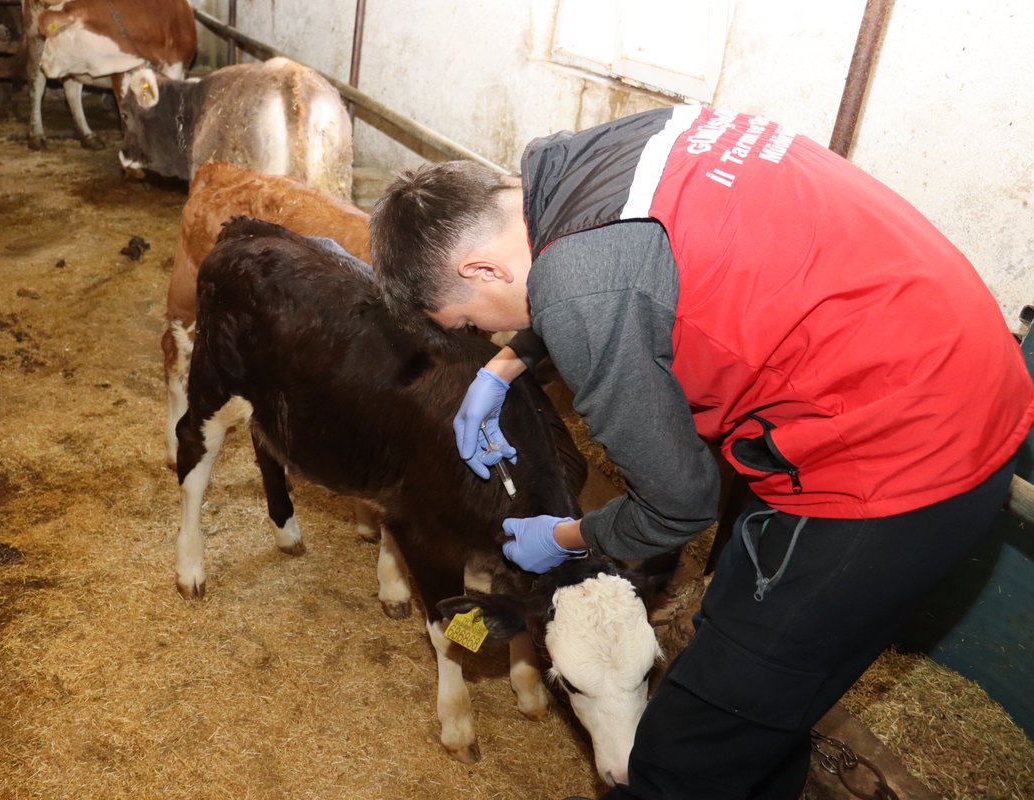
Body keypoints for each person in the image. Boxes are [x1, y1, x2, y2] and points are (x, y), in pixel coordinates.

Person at [369, 104, 1034, 799]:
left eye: (472, 322)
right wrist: (499, 372)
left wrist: (563, 535)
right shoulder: (579, 161)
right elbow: (611, 278)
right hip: (953, 368)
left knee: (688, 754)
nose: (483, 333)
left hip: (899, 460)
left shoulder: (577, 288)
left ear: (480, 267)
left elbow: (679, 504)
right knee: (758, 709)